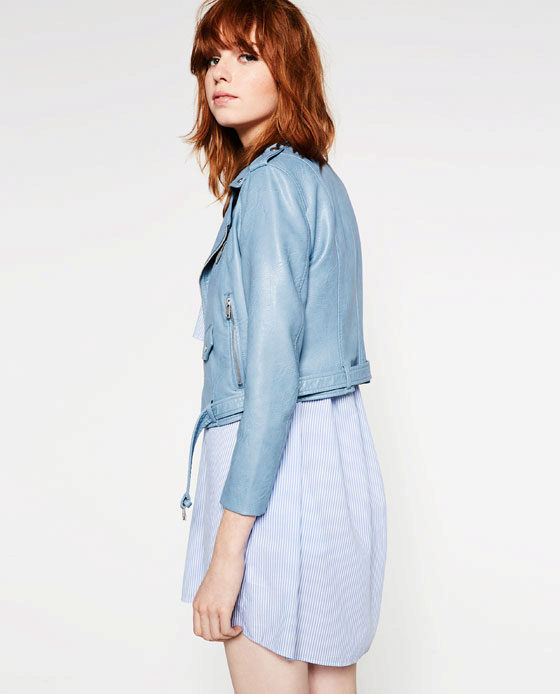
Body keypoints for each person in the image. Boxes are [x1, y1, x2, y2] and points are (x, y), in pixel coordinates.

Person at [178, 1, 387, 691]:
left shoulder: (268, 188)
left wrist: (226, 553)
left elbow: (271, 381)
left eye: (247, 56)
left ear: (288, 72)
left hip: (271, 473)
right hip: (332, 465)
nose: (221, 74)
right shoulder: (322, 183)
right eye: (212, 59)